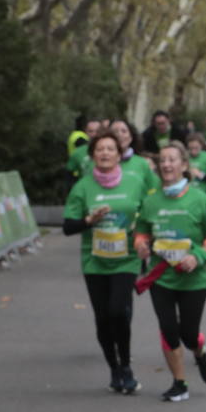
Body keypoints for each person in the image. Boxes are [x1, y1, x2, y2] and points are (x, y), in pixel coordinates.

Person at [62, 131, 150, 394]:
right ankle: (113, 367)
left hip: (126, 260)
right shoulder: (83, 188)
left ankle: (126, 366)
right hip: (95, 261)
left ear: (119, 154)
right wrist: (89, 221)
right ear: (92, 155)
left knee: (117, 311)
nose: (105, 154)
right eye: (99, 149)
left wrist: (145, 239)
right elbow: (67, 227)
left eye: (110, 149)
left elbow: (148, 214)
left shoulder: (134, 182)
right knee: (102, 317)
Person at [134, 142, 206, 402]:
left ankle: (200, 352)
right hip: (162, 277)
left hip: (193, 280)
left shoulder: (200, 199)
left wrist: (198, 256)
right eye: (163, 160)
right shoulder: (150, 201)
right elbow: (141, 232)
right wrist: (140, 245)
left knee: (188, 333)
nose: (167, 165)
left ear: (184, 165)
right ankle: (179, 383)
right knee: (168, 329)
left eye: (172, 160)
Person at [108, 120, 158, 192]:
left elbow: (154, 189)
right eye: (115, 132)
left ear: (131, 137)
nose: (119, 135)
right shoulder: (99, 163)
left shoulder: (144, 163)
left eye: (124, 131)